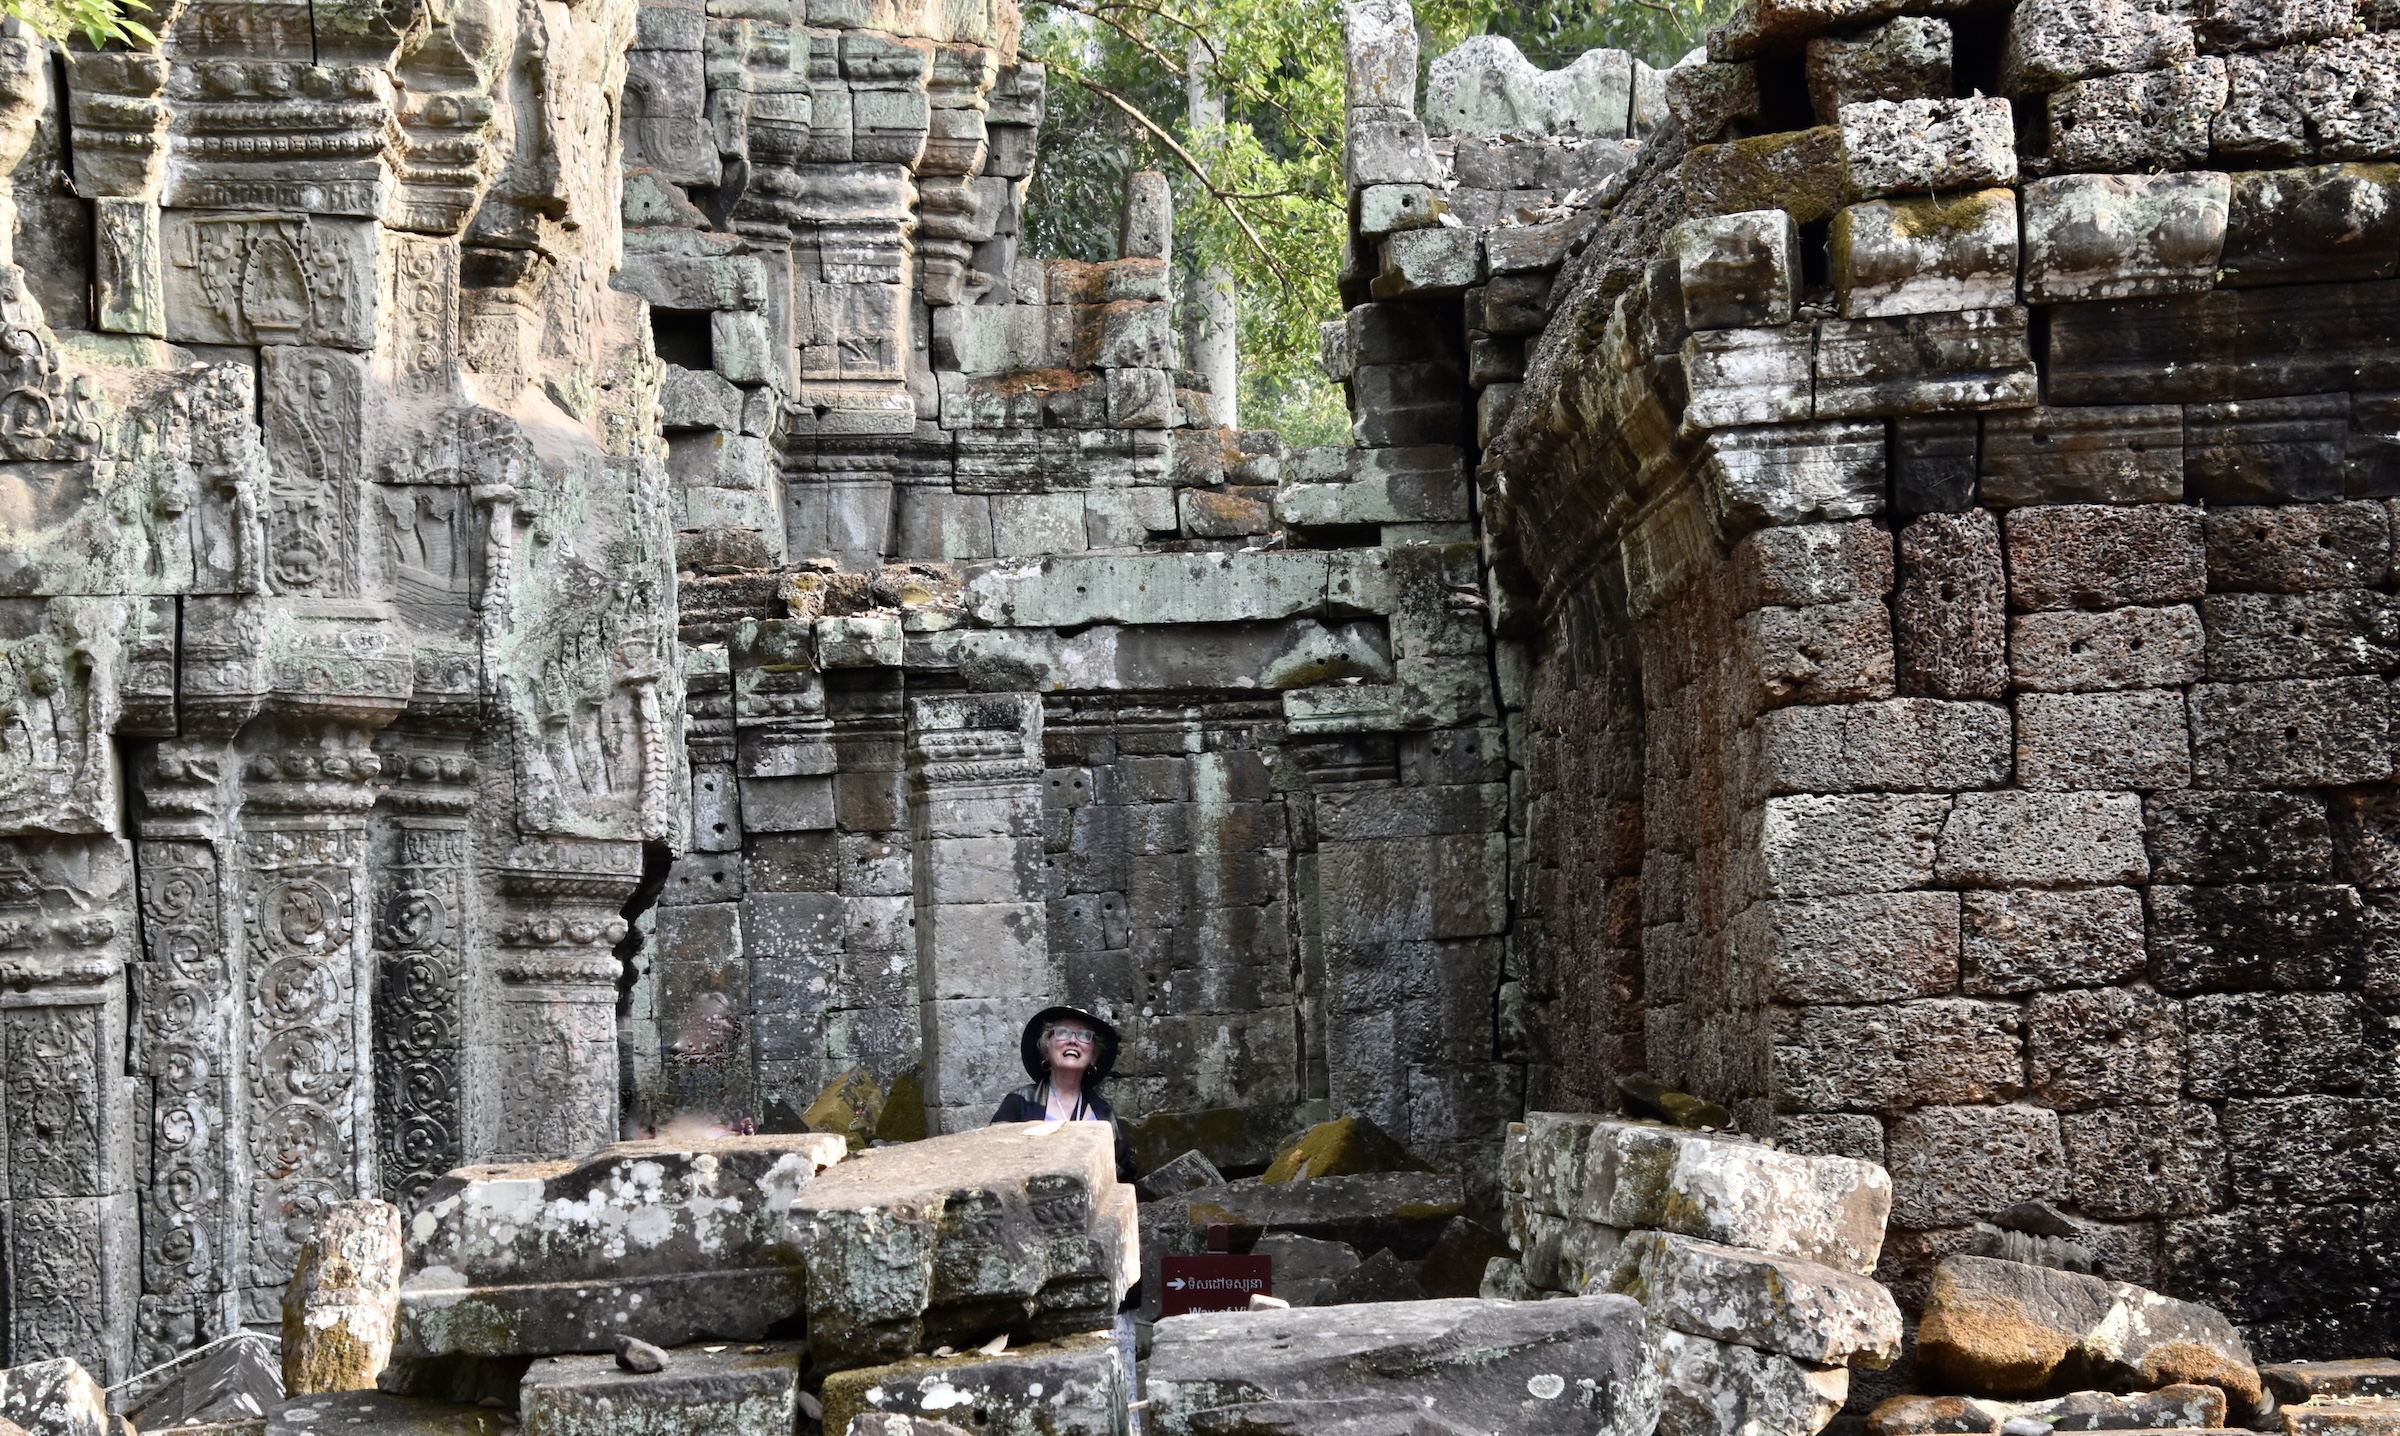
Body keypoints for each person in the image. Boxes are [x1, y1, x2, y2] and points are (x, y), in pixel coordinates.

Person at [991, 1005, 1139, 1185]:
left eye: (1084, 1036)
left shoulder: (1103, 1115)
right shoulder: (1020, 1102)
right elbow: (993, 1158)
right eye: (1063, 1033)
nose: (1073, 1041)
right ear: (1046, 1050)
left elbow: (1123, 1178)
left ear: (1093, 1057)